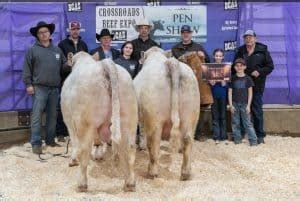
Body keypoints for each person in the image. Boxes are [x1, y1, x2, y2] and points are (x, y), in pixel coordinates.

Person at [22, 21, 67, 154]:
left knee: (52, 116)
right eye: (40, 33)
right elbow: (26, 69)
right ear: (37, 35)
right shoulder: (32, 50)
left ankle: (50, 141)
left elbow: (63, 66)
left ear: (50, 33)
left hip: (54, 89)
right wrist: (29, 84)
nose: (43, 34)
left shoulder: (57, 50)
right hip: (39, 88)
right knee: (36, 116)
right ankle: (36, 143)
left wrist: (68, 64)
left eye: (45, 32)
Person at [233, 30, 274, 144]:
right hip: (241, 87)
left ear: (255, 38)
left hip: (257, 86)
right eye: (246, 37)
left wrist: (260, 72)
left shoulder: (262, 50)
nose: (248, 39)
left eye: (250, 37)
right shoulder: (240, 50)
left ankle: (260, 135)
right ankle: (240, 134)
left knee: (256, 110)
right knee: (241, 110)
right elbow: (234, 66)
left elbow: (270, 66)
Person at [171, 24, 210, 141]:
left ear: (191, 34)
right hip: (182, 83)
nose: (186, 34)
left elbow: (208, 62)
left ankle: (199, 133)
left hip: (197, 83)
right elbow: (177, 62)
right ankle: (183, 134)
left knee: (199, 108)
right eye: (184, 33)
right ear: (181, 34)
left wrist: (204, 56)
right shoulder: (175, 48)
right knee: (182, 108)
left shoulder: (199, 47)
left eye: (188, 32)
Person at [56, 21, 89, 142]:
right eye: (73, 29)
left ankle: (77, 132)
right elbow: (59, 64)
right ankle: (60, 132)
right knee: (64, 106)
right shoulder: (62, 45)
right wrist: (67, 65)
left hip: (80, 81)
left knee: (79, 107)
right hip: (67, 80)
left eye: (77, 29)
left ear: (80, 30)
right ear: (69, 31)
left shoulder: (83, 45)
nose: (75, 31)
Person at [228, 58, 257, 146]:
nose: (239, 67)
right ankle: (237, 140)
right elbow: (230, 92)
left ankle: (253, 141)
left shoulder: (248, 79)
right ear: (235, 67)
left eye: (241, 66)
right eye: (237, 66)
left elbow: (250, 93)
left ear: (245, 67)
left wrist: (248, 106)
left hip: (244, 104)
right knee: (235, 123)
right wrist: (230, 105)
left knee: (247, 123)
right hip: (235, 104)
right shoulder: (232, 78)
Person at [209, 49, 228, 144]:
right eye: (216, 55)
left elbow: (228, 84)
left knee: (223, 116)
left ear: (223, 57)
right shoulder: (210, 68)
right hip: (213, 96)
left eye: (220, 56)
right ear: (213, 56)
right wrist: (211, 82)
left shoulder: (226, 68)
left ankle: (223, 136)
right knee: (215, 116)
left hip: (223, 96)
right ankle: (216, 136)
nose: (218, 57)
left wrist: (224, 83)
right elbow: (207, 83)